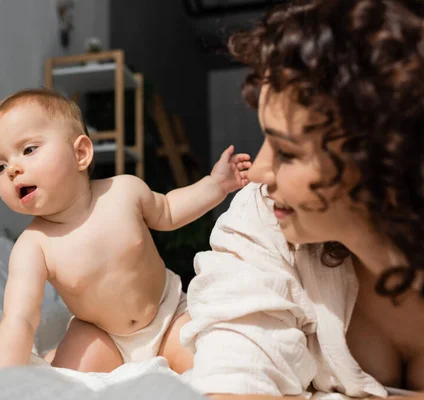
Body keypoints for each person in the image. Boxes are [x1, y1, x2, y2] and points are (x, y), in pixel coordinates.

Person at [180, 0, 424, 397]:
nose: (257, 171)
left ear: (382, 157)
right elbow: (236, 374)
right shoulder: (262, 216)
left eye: (287, 152)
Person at [0, 88, 252, 374]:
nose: (13, 169)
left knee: (213, 369)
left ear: (81, 153)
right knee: (65, 383)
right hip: (101, 334)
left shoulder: (124, 191)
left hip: (167, 315)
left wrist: (216, 185)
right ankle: (53, 359)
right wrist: (3, 381)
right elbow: (20, 318)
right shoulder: (32, 246)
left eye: (28, 150)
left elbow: (169, 210)